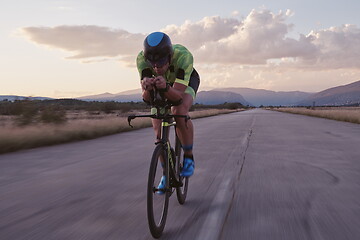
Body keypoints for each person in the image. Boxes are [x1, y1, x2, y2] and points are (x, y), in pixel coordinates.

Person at [136, 32, 200, 192]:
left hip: (184, 82)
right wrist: (147, 87)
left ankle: (189, 157)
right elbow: (147, 99)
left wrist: (165, 87)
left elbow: (177, 97)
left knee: (179, 111)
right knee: (158, 133)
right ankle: (166, 174)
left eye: (162, 62)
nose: (157, 67)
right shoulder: (141, 60)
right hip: (161, 85)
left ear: (170, 56)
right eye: (153, 64)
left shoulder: (183, 56)